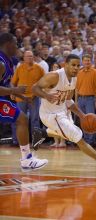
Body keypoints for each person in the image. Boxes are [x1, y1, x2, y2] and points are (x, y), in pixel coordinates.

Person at [32, 54, 96, 172]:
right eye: (73, 65)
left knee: (71, 135)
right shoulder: (54, 76)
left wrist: (82, 116)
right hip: (50, 115)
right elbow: (34, 88)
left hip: (63, 112)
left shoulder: (74, 79)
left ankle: (42, 133)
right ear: (65, 64)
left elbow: (68, 101)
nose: (76, 68)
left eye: (78, 65)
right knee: (78, 137)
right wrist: (46, 96)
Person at [0, 33, 48, 171]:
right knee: (22, 119)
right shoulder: (1, 63)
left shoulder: (7, 60)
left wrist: (20, 94)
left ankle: (26, 159)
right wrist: (15, 89)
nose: (17, 47)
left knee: (22, 119)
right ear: (8, 44)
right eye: (15, 43)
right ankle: (26, 160)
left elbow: (4, 83)